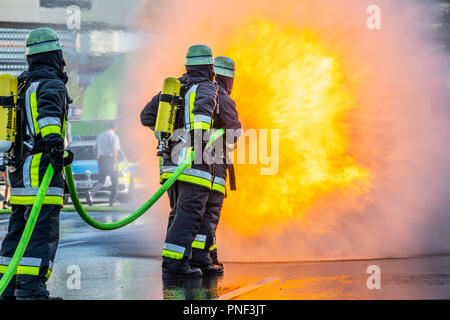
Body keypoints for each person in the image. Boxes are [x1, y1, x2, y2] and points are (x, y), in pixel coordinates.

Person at [0, 28, 73, 300]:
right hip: (41, 171)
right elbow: (49, 117)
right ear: (55, 55)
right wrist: (55, 145)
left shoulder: (20, 83)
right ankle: (31, 289)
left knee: (17, 234)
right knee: (41, 233)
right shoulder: (51, 84)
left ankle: (7, 287)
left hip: (18, 174)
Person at [140, 44, 222, 278]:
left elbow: (146, 116)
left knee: (179, 214)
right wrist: (198, 143)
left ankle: (179, 260)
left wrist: (169, 135)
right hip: (193, 165)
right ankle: (174, 265)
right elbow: (202, 119)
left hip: (169, 165)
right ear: (209, 67)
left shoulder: (175, 87)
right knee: (189, 215)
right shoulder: (207, 87)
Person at [193, 56, 241, 269]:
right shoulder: (222, 97)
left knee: (194, 214)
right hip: (212, 167)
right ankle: (202, 258)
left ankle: (207, 256)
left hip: (186, 165)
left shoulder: (197, 92)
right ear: (230, 79)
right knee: (209, 214)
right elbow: (234, 133)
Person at [88, 121, 121, 206]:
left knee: (101, 180)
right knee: (115, 181)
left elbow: (94, 148)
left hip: (101, 158)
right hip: (110, 159)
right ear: (115, 128)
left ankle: (91, 193)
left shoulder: (100, 135)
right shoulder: (114, 137)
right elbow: (115, 151)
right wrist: (114, 164)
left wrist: (97, 159)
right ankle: (112, 200)